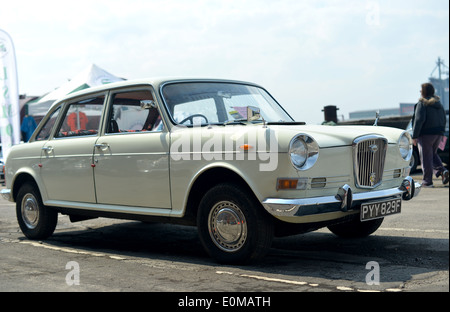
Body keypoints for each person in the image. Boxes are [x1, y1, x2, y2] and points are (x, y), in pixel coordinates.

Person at [412, 82, 449, 187]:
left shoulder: (422, 104)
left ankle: (427, 182)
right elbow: (443, 119)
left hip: (425, 135)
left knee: (425, 158)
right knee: (432, 155)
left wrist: (414, 136)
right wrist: (441, 133)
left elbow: (419, 120)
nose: (420, 91)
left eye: (421, 90)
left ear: (424, 92)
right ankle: (443, 171)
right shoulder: (439, 104)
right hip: (438, 134)